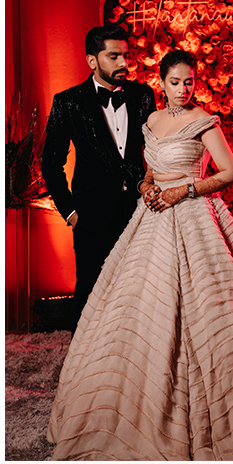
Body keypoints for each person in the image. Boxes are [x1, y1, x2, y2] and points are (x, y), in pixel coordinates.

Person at [47, 49, 233, 460]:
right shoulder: (151, 120)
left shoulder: (204, 122)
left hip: (195, 214)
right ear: (161, 83)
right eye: (176, 82)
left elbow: (230, 173)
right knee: (136, 308)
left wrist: (183, 190)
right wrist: (148, 187)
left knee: (213, 312)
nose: (184, 89)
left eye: (190, 81)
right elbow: (148, 168)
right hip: (152, 217)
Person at [41, 25, 157, 332]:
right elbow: (51, 162)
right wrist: (70, 211)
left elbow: (157, 150)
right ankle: (81, 367)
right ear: (93, 61)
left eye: (125, 56)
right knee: (90, 290)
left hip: (138, 211)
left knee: (138, 289)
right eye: (114, 56)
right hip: (90, 214)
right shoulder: (68, 102)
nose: (123, 63)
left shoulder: (143, 96)